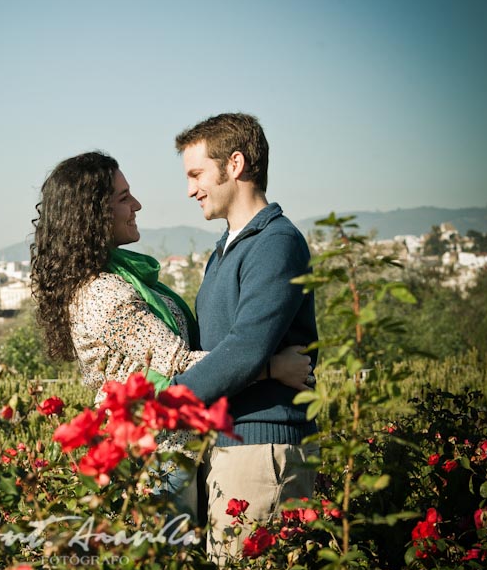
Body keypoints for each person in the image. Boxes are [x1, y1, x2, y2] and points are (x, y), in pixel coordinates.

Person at [29, 151, 312, 521]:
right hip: (154, 458)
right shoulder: (105, 294)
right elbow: (178, 363)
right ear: (92, 214)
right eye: (123, 198)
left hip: (169, 451)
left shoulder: (121, 280)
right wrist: (273, 367)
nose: (137, 205)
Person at [168, 113, 319, 560]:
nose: (191, 189)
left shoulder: (275, 242)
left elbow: (244, 348)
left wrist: (167, 402)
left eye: (197, 174)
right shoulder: (227, 249)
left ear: (235, 165)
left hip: (262, 445)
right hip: (232, 445)